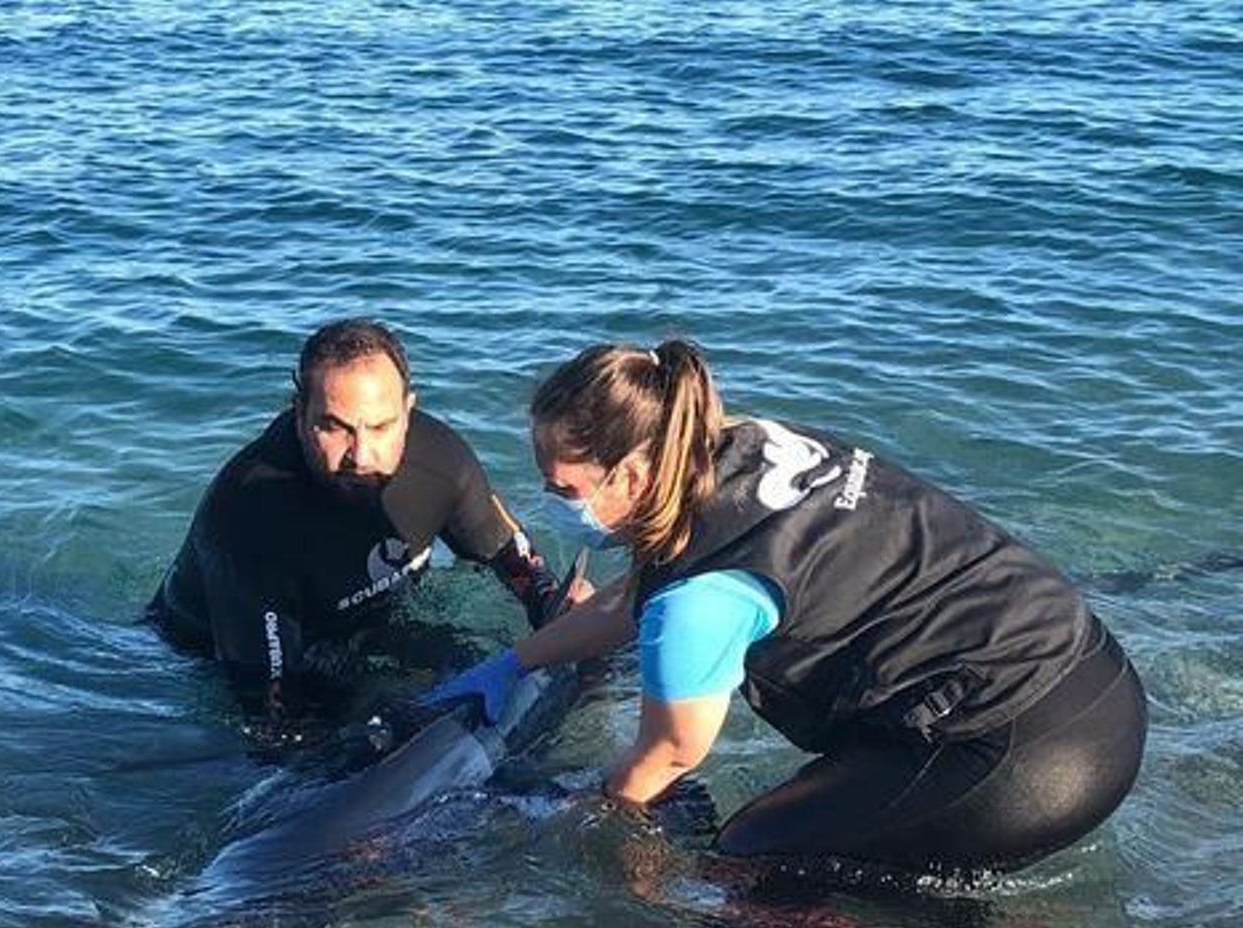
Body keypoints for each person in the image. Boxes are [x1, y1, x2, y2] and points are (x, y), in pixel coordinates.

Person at [425, 339, 1147, 877]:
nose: (553, 501)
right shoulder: (740, 448)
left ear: (635, 473)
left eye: (563, 488)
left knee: (751, 863)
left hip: (1028, 752)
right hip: (1088, 671)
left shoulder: (702, 601)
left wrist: (584, 823)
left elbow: (668, 755)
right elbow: (631, 600)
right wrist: (512, 662)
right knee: (834, 837)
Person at [147, 319, 566, 718]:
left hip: (364, 628)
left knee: (468, 658)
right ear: (299, 413)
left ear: (408, 409)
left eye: (382, 427)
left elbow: (513, 559)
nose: (361, 455)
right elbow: (267, 700)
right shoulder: (252, 512)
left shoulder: (441, 462)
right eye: (335, 427)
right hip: (211, 657)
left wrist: (554, 609)